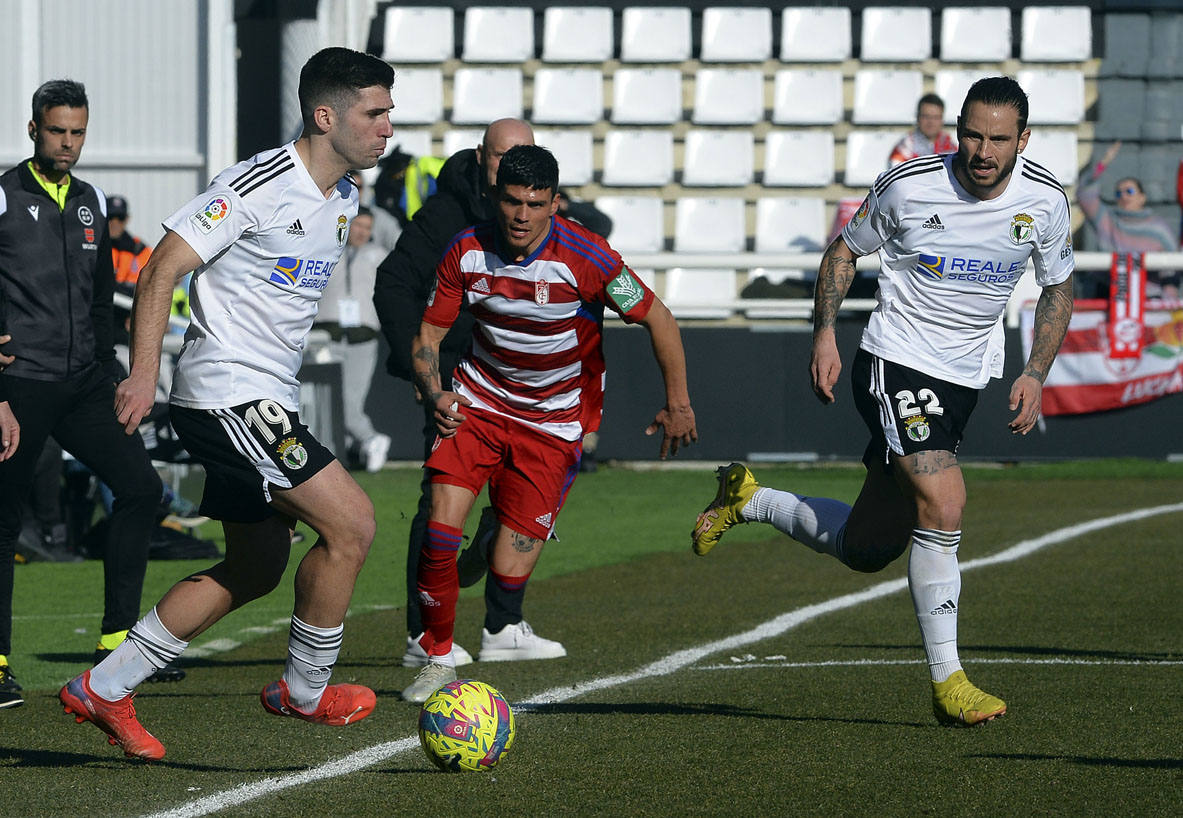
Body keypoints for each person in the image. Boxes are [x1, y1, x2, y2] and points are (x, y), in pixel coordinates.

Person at [692, 77, 1075, 727]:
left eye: (998, 139)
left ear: (1023, 140)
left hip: (963, 380)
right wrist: (822, 333)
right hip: (895, 360)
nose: (982, 151)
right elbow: (843, 252)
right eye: (972, 134)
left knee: (866, 547)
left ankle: (749, 499)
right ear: (956, 128)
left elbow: (1058, 285)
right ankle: (948, 680)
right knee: (944, 501)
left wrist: (1036, 370)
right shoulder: (908, 184)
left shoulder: (1043, 200)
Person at [58, 47, 394, 760]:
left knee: (257, 565)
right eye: (374, 113)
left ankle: (104, 687)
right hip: (224, 393)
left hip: (266, 397)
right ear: (324, 115)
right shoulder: (258, 182)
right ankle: (304, 691)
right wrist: (144, 373)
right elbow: (159, 269)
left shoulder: (344, 198)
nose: (387, 128)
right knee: (353, 524)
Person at [400, 144, 698, 702]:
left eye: (535, 204)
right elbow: (429, 336)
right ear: (494, 198)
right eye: (511, 201)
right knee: (439, 535)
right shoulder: (464, 252)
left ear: (554, 203)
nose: (521, 215)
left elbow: (658, 316)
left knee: (508, 568)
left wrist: (678, 403)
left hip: (553, 422)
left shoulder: (589, 257)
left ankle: (493, 541)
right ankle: (437, 660)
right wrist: (433, 391)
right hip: (478, 406)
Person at [0, 80, 178, 711]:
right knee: (5, 518)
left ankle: (118, 648)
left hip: (85, 386)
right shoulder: (1, 193)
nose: (69, 143)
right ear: (33, 131)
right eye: (57, 131)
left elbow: (103, 299)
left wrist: (114, 374)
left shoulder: (92, 200)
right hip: (17, 385)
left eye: (78, 132)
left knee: (140, 490)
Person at [373, 118, 540, 669]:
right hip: (460, 379)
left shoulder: (534, 204)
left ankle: (503, 624)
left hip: (521, 379)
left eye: (523, 158)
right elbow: (393, 283)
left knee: (524, 498)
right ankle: (422, 638)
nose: (512, 171)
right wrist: (424, 373)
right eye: (500, 159)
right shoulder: (446, 214)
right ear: (480, 158)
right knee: (440, 504)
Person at [312, 206, 391, 472]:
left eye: (368, 228)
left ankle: (370, 439)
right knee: (328, 397)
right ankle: (341, 455)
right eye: (358, 225)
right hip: (325, 336)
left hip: (363, 338)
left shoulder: (379, 256)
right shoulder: (326, 251)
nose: (362, 232)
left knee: (351, 399)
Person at [1077, 141, 1180, 298]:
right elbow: (1085, 194)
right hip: (1107, 295)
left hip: (1148, 300)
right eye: (1119, 193)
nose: (1123, 196)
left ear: (1142, 197)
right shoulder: (1106, 220)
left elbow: (1172, 268)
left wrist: (1165, 304)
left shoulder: (1158, 227)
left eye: (1129, 191)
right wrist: (1103, 164)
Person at [889, 92, 958, 168]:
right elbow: (895, 171)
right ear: (918, 117)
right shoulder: (907, 144)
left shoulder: (950, 144)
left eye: (936, 117)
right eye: (926, 116)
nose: (931, 122)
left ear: (942, 119)